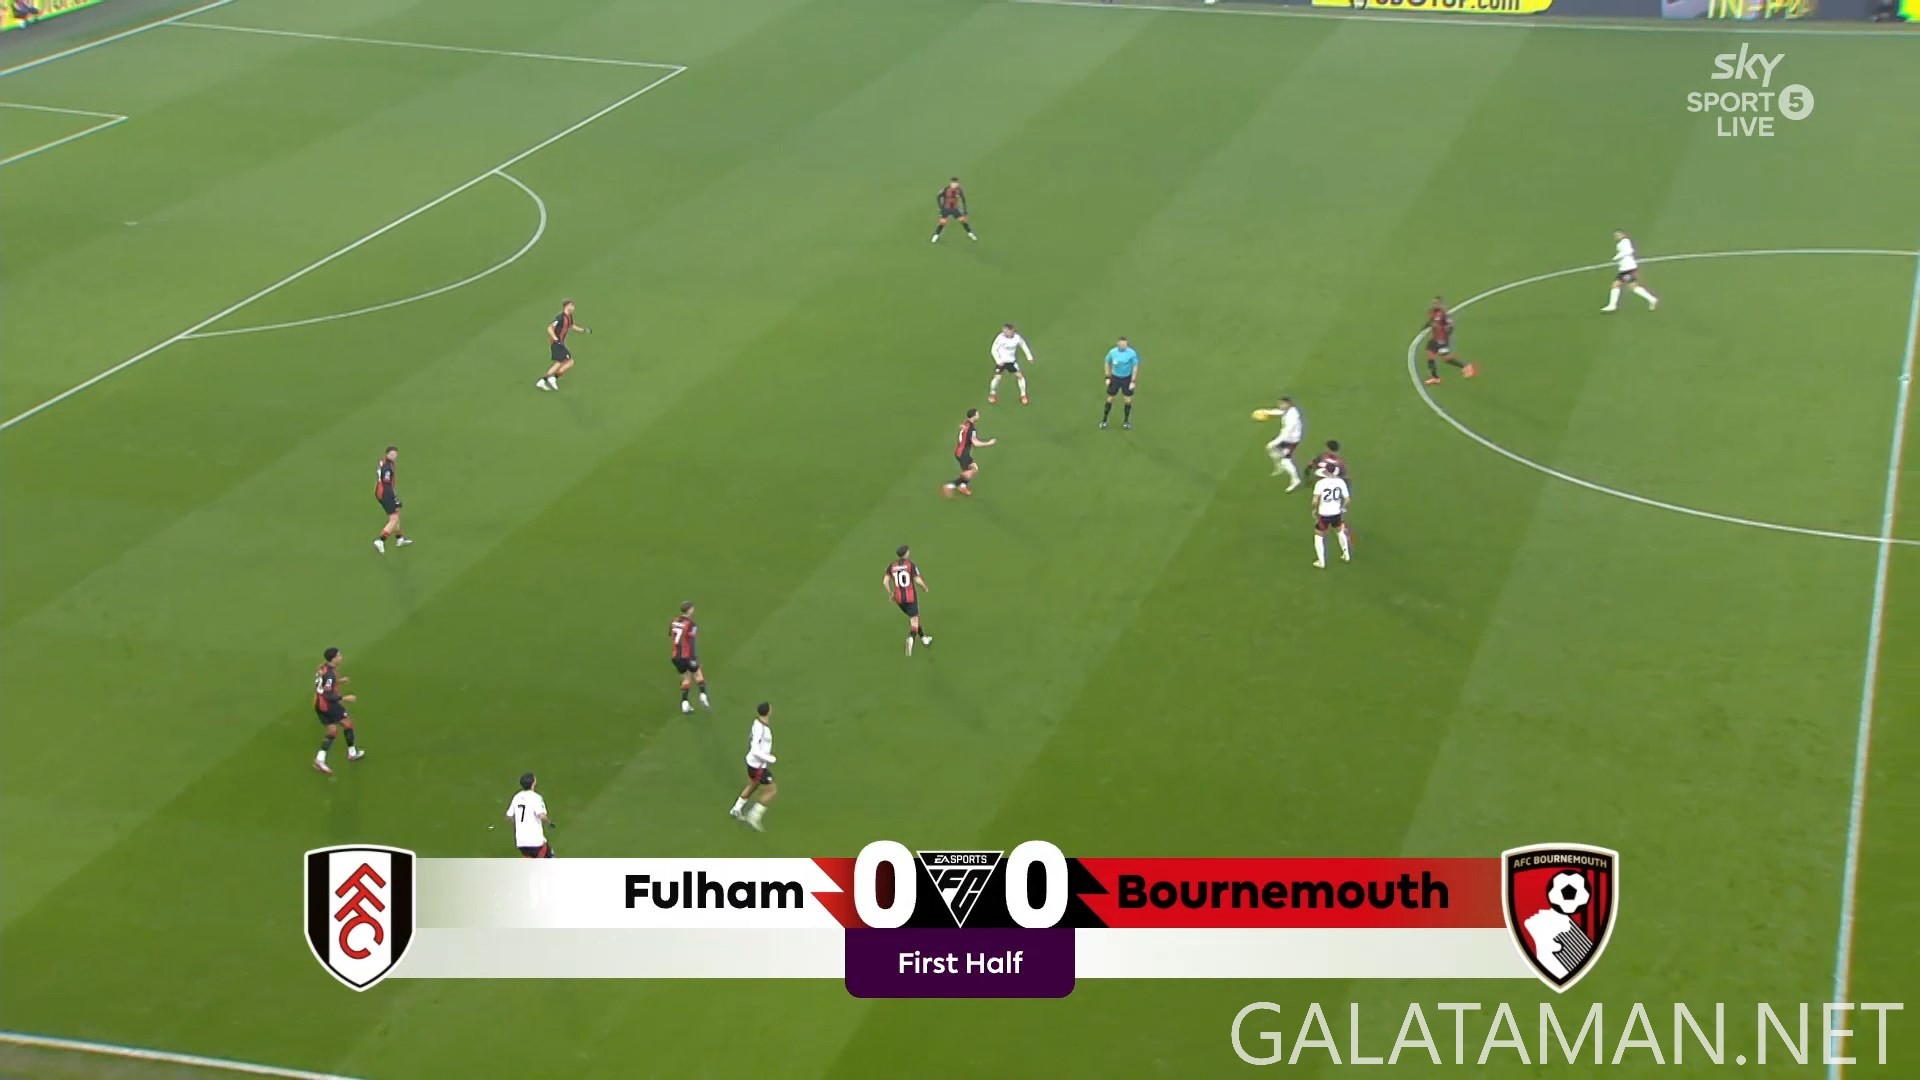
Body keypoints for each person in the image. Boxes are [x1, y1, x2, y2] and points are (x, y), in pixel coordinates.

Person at [311, 647, 364, 774]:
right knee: (348, 724)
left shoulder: (322, 667)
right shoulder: (331, 674)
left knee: (332, 731)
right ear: (333, 659)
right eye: (339, 656)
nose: (341, 657)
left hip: (318, 703)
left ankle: (320, 759)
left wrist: (339, 681)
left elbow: (323, 684)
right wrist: (345, 698)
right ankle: (352, 753)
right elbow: (328, 694)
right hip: (328, 705)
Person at [729, 703, 778, 831]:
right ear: (769, 711)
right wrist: (770, 758)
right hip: (758, 766)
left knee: (753, 785)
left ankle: (736, 809)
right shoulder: (761, 729)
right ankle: (754, 815)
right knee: (771, 790)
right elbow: (755, 750)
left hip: (753, 764)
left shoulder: (758, 724)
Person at [885, 545, 933, 655]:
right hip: (910, 598)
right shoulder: (911, 565)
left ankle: (924, 638)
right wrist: (925, 588)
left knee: (914, 617)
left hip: (899, 599)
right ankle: (911, 639)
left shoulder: (891, 566)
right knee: (914, 622)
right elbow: (918, 581)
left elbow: (885, 582)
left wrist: (891, 593)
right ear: (906, 553)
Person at [535, 300, 590, 390]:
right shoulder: (560, 317)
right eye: (572, 305)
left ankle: (545, 380)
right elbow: (549, 328)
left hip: (560, 343)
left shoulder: (569, 317)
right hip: (556, 343)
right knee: (569, 362)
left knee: (559, 363)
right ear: (567, 306)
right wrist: (556, 339)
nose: (573, 307)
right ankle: (550, 379)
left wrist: (583, 330)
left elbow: (572, 326)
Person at [942, 408, 997, 497]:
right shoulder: (972, 429)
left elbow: (961, 426)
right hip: (963, 454)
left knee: (973, 469)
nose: (979, 416)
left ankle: (962, 486)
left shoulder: (966, 423)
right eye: (977, 414)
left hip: (959, 451)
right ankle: (950, 485)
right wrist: (989, 443)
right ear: (973, 416)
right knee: (969, 473)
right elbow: (975, 443)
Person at [670, 602, 711, 714]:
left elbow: (672, 635)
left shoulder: (674, 621)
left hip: (675, 657)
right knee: (697, 673)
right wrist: (694, 658)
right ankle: (703, 695)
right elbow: (691, 641)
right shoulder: (692, 624)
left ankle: (684, 703)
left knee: (686, 678)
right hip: (687, 656)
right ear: (689, 610)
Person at [1603, 232, 1659, 313]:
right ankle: (1612, 305)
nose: (1616, 236)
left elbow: (1629, 251)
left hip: (1628, 269)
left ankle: (1652, 299)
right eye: (1615, 235)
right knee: (1618, 285)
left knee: (1629, 286)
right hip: (1624, 269)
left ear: (1623, 235)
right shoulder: (1620, 244)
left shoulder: (1625, 241)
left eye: (1618, 235)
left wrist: (1616, 257)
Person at [506, 772, 555, 858]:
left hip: (521, 842)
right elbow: (541, 816)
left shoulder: (517, 797)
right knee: (550, 860)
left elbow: (509, 816)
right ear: (533, 783)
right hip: (535, 841)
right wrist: (550, 823)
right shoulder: (536, 797)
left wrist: (519, 822)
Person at [372, 446, 410, 553]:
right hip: (385, 493)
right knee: (394, 518)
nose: (394, 456)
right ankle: (381, 540)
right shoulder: (388, 467)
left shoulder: (383, 461)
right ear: (387, 454)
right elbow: (387, 483)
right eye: (392, 454)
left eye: (395, 454)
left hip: (379, 491)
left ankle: (399, 538)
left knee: (397, 512)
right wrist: (394, 497)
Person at [988, 323, 1035, 405]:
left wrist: (1029, 357)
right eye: (1004, 331)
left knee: (1020, 376)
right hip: (1002, 362)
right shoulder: (1000, 338)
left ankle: (1023, 395)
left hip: (1012, 361)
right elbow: (993, 349)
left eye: (1008, 331)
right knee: (997, 378)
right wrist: (998, 360)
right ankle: (992, 394)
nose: (1005, 332)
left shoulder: (1017, 338)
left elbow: (1023, 345)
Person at [1265, 397, 1305, 490]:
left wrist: (1275, 442)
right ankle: (1279, 467)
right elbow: (1279, 412)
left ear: (1288, 404)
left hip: (1291, 441)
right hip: (1287, 439)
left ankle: (1295, 480)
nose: (1280, 405)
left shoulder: (1292, 417)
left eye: (1282, 404)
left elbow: (1287, 432)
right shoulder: (1288, 411)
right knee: (1270, 449)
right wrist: (1266, 412)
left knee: (1286, 461)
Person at [1101, 337, 1140, 429]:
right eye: (1122, 344)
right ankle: (1104, 420)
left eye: (1125, 344)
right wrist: (1107, 377)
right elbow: (1107, 362)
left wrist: (1133, 381)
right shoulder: (1112, 352)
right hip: (1115, 378)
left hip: (1127, 379)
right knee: (1111, 398)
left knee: (1128, 400)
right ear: (1118, 344)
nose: (1123, 346)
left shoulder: (1132, 353)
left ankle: (1126, 421)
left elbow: (1135, 366)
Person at [931, 178, 976, 243]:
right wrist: (940, 206)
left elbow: (963, 199)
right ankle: (936, 235)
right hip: (946, 208)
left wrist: (965, 209)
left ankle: (970, 233)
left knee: (963, 220)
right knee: (943, 222)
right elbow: (938, 196)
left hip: (955, 209)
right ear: (951, 183)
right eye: (954, 183)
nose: (955, 184)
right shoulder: (946, 189)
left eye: (957, 183)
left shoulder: (959, 190)